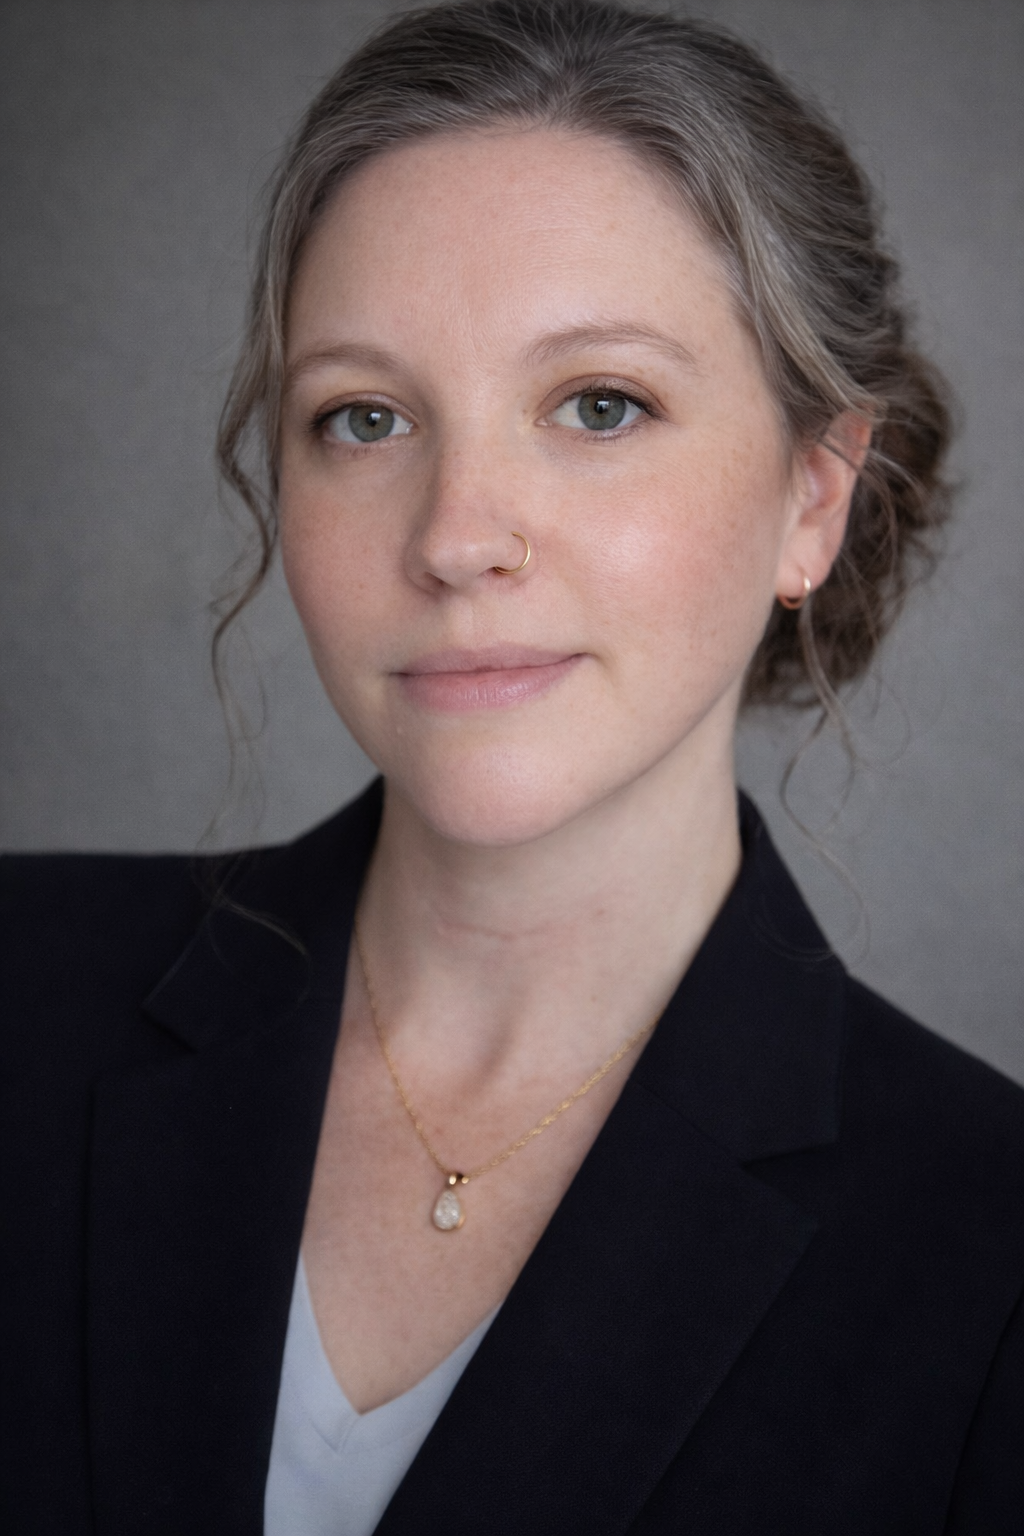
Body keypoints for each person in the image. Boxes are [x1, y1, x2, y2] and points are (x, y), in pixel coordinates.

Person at [2, 1, 1021, 1531]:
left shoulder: (989, 1253)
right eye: (364, 417)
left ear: (816, 497)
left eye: (599, 405)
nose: (457, 534)